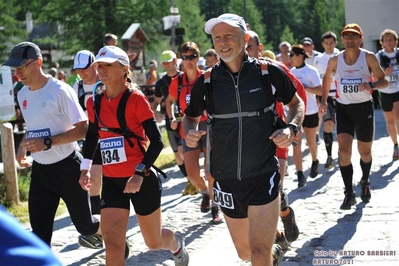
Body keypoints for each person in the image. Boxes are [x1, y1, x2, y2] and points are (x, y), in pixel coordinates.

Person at [183, 14, 304, 265]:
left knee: (258, 253)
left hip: (263, 173)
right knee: (245, 253)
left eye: (229, 36)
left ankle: (268, 252)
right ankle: (273, 252)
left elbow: (296, 104)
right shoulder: (206, 82)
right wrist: (190, 131)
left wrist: (291, 129)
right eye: (217, 38)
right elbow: (190, 117)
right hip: (225, 177)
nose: (223, 42)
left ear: (245, 38)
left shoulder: (268, 72)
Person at [79, 45, 189, 266]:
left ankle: (176, 243)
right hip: (112, 182)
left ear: (123, 69)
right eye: (99, 65)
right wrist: (84, 167)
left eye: (108, 65)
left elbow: (157, 142)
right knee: (113, 244)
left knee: (154, 241)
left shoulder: (136, 99)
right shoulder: (94, 102)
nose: (101, 70)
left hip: (141, 180)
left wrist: (139, 172)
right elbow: (92, 135)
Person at [2, 42, 101, 247]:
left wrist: (48, 142)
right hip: (41, 172)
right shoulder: (22, 94)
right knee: (39, 234)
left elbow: (83, 129)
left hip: (68, 167)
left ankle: (114, 234)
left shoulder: (60, 90)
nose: (18, 73)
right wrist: (23, 146)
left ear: (39, 62)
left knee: (85, 227)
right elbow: (34, 124)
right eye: (15, 68)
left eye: (22, 66)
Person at [319, 23, 388, 210]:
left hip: (364, 109)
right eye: (347, 36)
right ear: (342, 39)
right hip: (343, 110)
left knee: (365, 152)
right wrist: (324, 101)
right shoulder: (335, 60)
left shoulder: (369, 57)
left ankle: (365, 181)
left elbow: (384, 80)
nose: (350, 39)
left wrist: (372, 86)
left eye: (354, 36)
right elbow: (326, 79)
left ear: (360, 38)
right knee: (344, 152)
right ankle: (348, 193)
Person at [246, 30, 303, 251]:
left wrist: (291, 128)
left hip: (275, 137)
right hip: (247, 143)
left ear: (259, 49)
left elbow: (298, 99)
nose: (245, 52)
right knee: (250, 199)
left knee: (274, 190)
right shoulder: (228, 75)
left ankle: (286, 214)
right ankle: (277, 235)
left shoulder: (274, 70)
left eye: (249, 47)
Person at [166, 42, 222, 224]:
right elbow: (169, 102)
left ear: (198, 58)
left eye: (192, 57)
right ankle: (205, 192)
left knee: (210, 170)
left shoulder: (206, 77)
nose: (188, 61)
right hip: (188, 127)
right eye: (185, 57)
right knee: (191, 173)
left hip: (207, 127)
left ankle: (215, 205)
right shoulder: (177, 82)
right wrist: (172, 118)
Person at [152, 50, 190, 191]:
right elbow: (156, 102)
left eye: (169, 62)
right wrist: (156, 112)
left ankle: (193, 176)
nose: (166, 65)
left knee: (182, 151)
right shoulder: (161, 83)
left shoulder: (184, 78)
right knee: (177, 156)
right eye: (164, 63)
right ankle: (190, 180)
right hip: (170, 121)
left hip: (185, 120)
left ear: (175, 61)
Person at [72, 50, 103, 219]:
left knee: (119, 179)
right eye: (78, 69)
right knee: (95, 181)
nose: (81, 73)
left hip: (112, 137)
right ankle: (98, 221)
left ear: (95, 65)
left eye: (84, 68)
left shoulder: (106, 82)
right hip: (92, 138)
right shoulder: (77, 87)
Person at [290, 45, 322, 186]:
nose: (290, 57)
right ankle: (300, 174)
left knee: (311, 143)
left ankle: (315, 161)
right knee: (296, 145)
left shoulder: (311, 71)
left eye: (292, 55)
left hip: (310, 111)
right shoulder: (290, 73)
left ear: (300, 56)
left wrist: (304, 88)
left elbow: (320, 91)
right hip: (296, 114)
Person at [314, 31, 339, 168]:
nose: (329, 46)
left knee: (340, 126)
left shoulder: (341, 56)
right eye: (326, 43)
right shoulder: (318, 59)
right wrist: (319, 98)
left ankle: (342, 151)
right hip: (326, 96)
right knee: (328, 124)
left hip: (341, 96)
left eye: (331, 43)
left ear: (335, 43)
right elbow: (317, 80)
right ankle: (329, 156)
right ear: (323, 44)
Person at [376, 29, 399, 161]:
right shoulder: (379, 57)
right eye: (386, 40)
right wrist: (385, 72)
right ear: (382, 43)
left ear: (395, 41)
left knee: (398, 117)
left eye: (391, 39)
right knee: (390, 122)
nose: (389, 42)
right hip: (385, 91)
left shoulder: (398, 54)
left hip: (398, 90)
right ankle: (395, 145)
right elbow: (373, 75)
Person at [302, 37, 323, 144]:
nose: (306, 48)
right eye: (304, 45)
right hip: (306, 87)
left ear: (312, 46)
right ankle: (311, 134)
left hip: (317, 85)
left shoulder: (319, 56)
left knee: (318, 110)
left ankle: (316, 132)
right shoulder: (301, 57)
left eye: (308, 45)